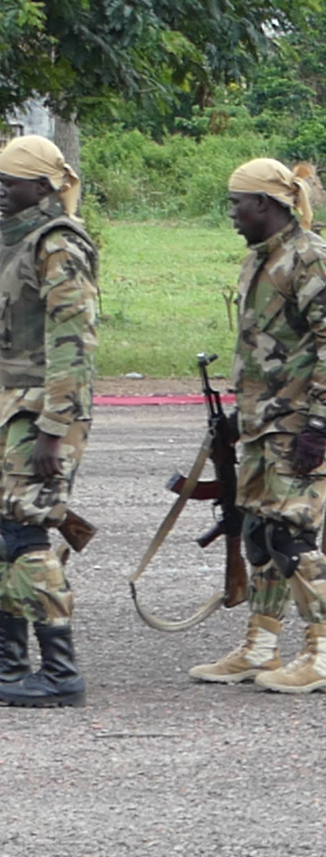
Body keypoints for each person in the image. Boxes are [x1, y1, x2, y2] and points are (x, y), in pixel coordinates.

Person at [191, 159, 326, 693]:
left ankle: (324, 653)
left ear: (264, 204)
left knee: (292, 535)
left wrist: (321, 424)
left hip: (299, 423)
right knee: (261, 535)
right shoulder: (262, 260)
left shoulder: (311, 259)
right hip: (264, 423)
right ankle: (262, 645)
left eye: (238, 202)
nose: (232, 213)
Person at [0, 136, 96, 708]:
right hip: (12, 402)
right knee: (5, 538)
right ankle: (10, 661)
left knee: (28, 534)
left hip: (42, 411)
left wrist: (54, 428)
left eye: (8, 182)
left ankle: (60, 671)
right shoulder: (13, 239)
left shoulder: (58, 245)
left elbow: (74, 341)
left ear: (41, 187)